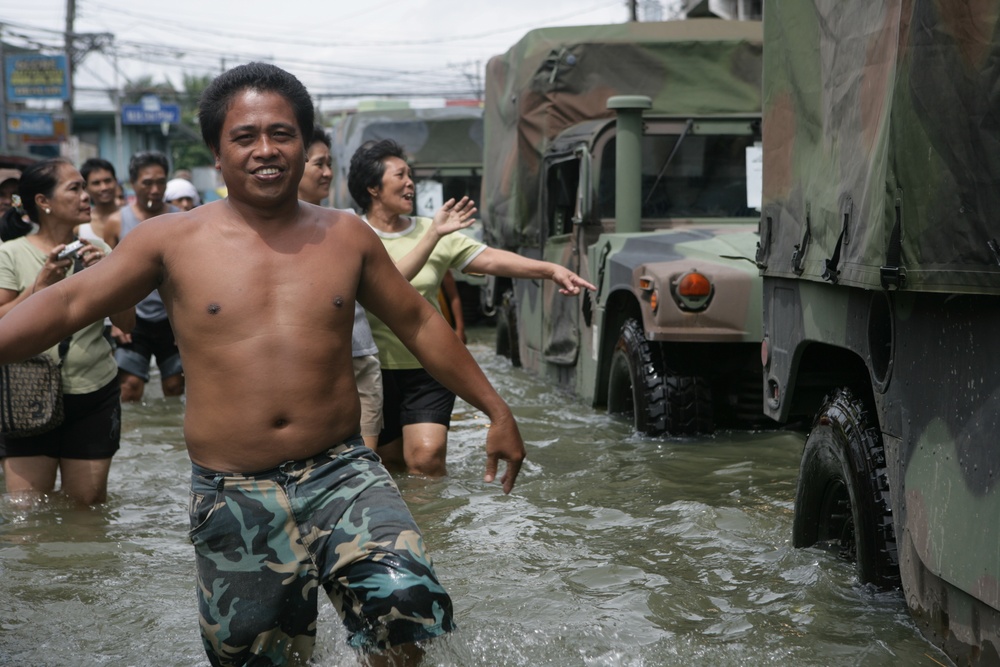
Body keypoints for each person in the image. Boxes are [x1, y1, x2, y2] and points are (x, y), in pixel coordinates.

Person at [0, 62, 525, 665]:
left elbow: (420, 322)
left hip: (342, 470)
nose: (265, 150)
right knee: (261, 658)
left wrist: (495, 409)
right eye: (244, 137)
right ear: (218, 156)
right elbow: (68, 299)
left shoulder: (347, 236)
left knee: (405, 606)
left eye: (282, 134)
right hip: (233, 490)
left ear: (305, 145)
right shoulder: (170, 240)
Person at [348, 138, 595, 478]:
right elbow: (386, 288)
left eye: (411, 176)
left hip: (430, 369)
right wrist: (434, 235)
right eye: (400, 175)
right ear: (373, 187)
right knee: (389, 466)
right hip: (373, 372)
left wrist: (550, 270)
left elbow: (490, 258)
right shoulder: (352, 235)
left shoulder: (433, 230)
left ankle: (437, 529)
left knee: (426, 457)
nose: (410, 183)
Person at [0, 158, 135, 505]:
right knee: (26, 514)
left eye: (84, 187)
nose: (86, 195)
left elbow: (127, 324)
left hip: (93, 392)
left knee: (86, 509)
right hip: (25, 394)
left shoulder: (101, 252)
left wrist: (108, 277)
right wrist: (40, 286)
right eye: (74, 188)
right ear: (44, 202)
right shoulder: (10, 254)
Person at [297, 124, 384, 449]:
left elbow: (391, 289)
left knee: (366, 467)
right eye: (319, 163)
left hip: (359, 359)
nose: (328, 173)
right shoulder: (266, 231)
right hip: (307, 370)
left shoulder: (348, 223)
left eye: (330, 164)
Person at [104, 151, 184, 403]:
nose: (155, 189)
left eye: (161, 182)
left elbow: (191, 274)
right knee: (129, 387)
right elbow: (106, 275)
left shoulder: (181, 220)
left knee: (175, 385)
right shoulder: (117, 222)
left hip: (171, 317)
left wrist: (186, 320)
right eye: (147, 182)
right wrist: (113, 321)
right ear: (133, 183)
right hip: (133, 316)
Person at [78, 158, 121, 244]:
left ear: (115, 181)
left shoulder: (130, 217)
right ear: (85, 187)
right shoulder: (81, 224)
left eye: (107, 181)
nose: (104, 188)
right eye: (96, 183)